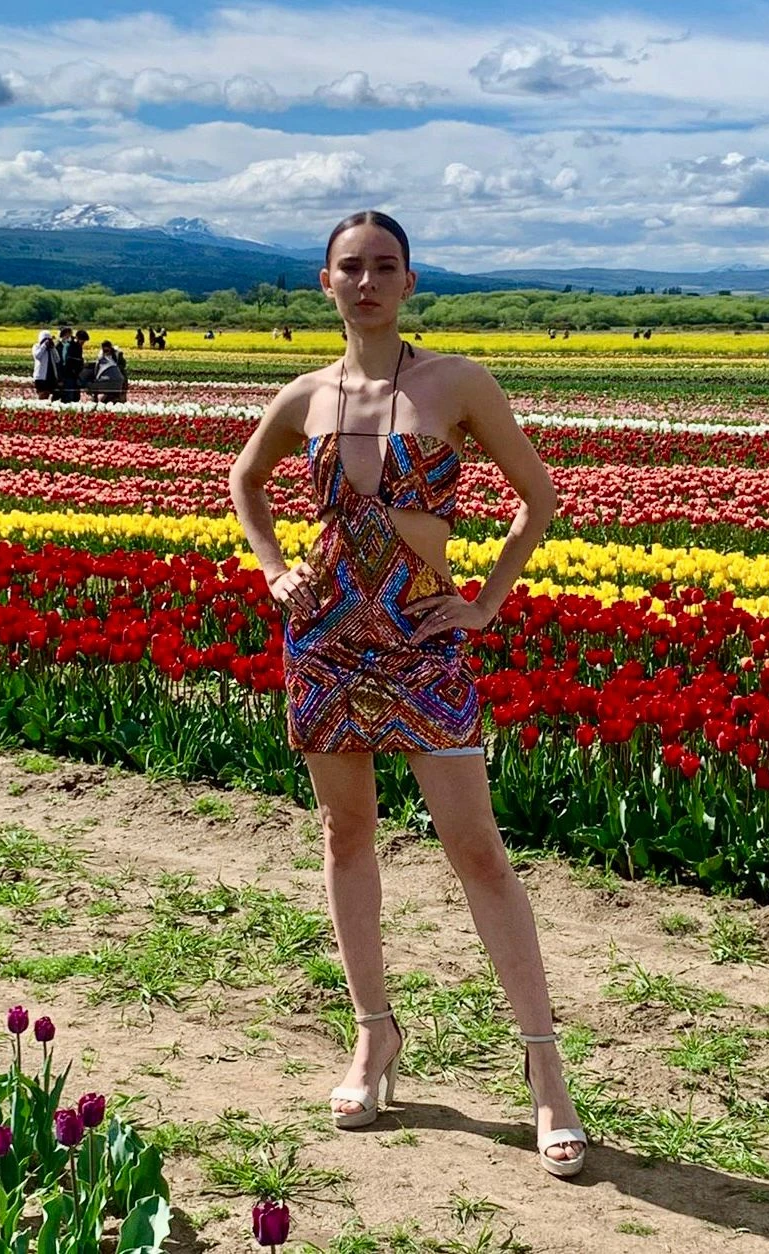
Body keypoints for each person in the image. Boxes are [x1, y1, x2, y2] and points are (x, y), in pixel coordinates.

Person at [229, 210, 586, 1178]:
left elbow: (538, 500)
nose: (368, 281)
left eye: (385, 266)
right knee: (347, 837)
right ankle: (373, 1038)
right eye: (351, 267)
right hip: (329, 642)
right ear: (325, 283)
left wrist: (483, 605)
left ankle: (545, 1072)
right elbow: (244, 479)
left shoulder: (456, 383)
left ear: (410, 281)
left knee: (476, 849)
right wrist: (270, 568)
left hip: (424, 642)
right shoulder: (305, 395)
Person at [32, 330, 61, 400]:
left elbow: (57, 359)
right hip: (41, 376)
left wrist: (53, 348)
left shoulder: (51, 349)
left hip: (51, 376)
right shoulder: (36, 346)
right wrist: (44, 346)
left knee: (50, 393)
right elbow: (37, 356)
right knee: (42, 393)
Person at [61, 329, 89, 402]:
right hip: (68, 373)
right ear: (77, 338)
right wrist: (80, 362)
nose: (83, 343)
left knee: (76, 396)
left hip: (76, 374)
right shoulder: (69, 345)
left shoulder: (78, 346)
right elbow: (66, 360)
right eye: (82, 341)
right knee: (69, 395)